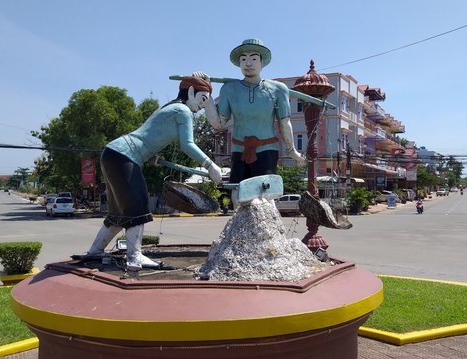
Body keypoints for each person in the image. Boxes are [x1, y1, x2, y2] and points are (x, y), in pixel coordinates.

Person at [85, 76, 222, 272]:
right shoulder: (182, 111)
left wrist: (152, 158)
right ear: (191, 92)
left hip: (113, 153)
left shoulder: (168, 108)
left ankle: (95, 250)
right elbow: (187, 145)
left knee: (120, 211)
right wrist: (210, 165)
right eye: (202, 99)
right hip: (124, 155)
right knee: (138, 204)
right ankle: (134, 256)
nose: (202, 106)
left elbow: (149, 135)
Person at [203, 38, 305, 188]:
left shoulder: (278, 89)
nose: (248, 63)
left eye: (253, 59)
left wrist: (292, 150)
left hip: (267, 149)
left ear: (262, 62)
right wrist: (207, 95)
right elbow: (219, 124)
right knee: (237, 193)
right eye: (243, 59)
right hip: (239, 150)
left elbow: (285, 122)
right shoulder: (229, 89)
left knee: (265, 195)